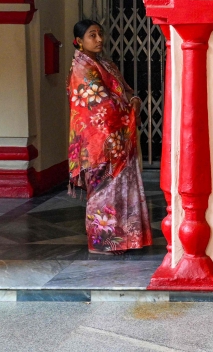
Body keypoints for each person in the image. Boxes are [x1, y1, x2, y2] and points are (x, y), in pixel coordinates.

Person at [67, 20, 152, 254]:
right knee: (104, 190)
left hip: (119, 137)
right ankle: (103, 242)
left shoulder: (106, 63)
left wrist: (132, 100)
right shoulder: (81, 69)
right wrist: (128, 107)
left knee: (123, 188)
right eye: (92, 35)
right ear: (79, 42)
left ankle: (128, 239)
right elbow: (98, 105)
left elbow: (124, 91)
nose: (98, 39)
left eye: (99, 34)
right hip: (99, 142)